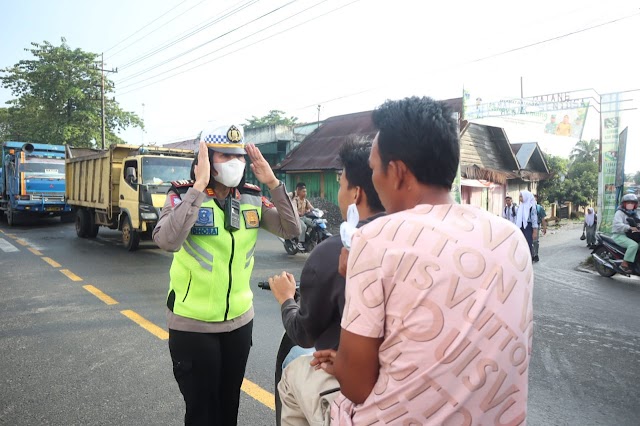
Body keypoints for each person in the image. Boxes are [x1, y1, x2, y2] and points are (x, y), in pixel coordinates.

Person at [313, 97, 534, 425]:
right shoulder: (510, 236)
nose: (373, 179)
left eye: (374, 168)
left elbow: (357, 387)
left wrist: (345, 361)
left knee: (294, 383)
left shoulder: (376, 239)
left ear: (398, 172)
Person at [152, 123, 300, 426]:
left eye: (240, 157)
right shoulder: (182, 194)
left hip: (239, 323)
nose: (235, 163)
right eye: (225, 156)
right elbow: (167, 240)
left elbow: (292, 229)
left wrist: (272, 182)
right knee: (202, 411)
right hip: (193, 326)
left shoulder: (251, 197)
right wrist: (198, 187)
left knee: (229, 402)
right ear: (205, 159)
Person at [268, 139, 385, 426]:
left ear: (356, 193)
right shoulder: (420, 240)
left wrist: (286, 299)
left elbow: (304, 333)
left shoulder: (337, 251)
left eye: (342, 185)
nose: (340, 195)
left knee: (295, 358)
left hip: (366, 392)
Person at [612, 193, 640, 273]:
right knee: (634, 245)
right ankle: (624, 264)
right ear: (624, 203)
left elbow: (637, 222)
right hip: (619, 235)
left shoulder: (634, 213)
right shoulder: (620, 212)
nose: (630, 204)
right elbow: (617, 225)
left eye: (632, 203)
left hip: (629, 235)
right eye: (628, 202)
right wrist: (629, 227)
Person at [517, 190, 539, 260]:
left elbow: (534, 219)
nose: (520, 198)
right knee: (521, 243)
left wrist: (535, 231)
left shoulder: (531, 207)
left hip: (528, 227)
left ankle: (529, 259)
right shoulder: (520, 207)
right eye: (519, 196)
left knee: (528, 243)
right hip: (521, 227)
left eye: (521, 196)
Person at [292, 182, 314, 249]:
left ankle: (311, 239)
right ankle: (300, 242)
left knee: (315, 224)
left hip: (304, 217)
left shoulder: (306, 201)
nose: (305, 193)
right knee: (303, 227)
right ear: (299, 192)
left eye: (306, 192)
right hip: (297, 218)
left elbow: (312, 208)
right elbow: (294, 210)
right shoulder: (295, 200)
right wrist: (299, 213)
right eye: (303, 191)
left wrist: (319, 210)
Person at [532, 194, 547, 262]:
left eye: (534, 199)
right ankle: (532, 255)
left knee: (535, 241)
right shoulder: (528, 207)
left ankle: (536, 254)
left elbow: (543, 219)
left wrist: (544, 227)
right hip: (529, 226)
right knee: (530, 241)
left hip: (537, 225)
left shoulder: (539, 208)